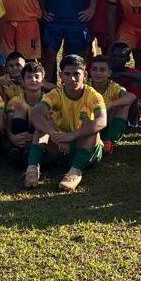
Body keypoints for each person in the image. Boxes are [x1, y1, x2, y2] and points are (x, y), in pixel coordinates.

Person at [25, 54, 106, 191]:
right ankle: (32, 169)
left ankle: (75, 172)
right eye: (67, 74)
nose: (72, 78)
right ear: (61, 75)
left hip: (86, 149)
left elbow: (102, 121)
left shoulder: (93, 95)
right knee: (41, 130)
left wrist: (72, 135)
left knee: (92, 131)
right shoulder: (55, 93)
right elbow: (37, 113)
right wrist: (56, 135)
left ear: (85, 75)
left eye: (76, 74)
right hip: (61, 146)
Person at [88, 55, 136, 155]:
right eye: (94, 69)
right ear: (90, 72)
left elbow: (131, 96)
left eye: (102, 70)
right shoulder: (84, 86)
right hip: (88, 125)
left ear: (109, 73)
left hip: (107, 124)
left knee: (123, 106)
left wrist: (108, 105)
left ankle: (109, 142)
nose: (98, 73)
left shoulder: (113, 87)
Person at [5, 61, 47, 167]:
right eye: (29, 77)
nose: (33, 80)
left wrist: (35, 138)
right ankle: (18, 149)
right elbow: (8, 123)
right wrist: (11, 137)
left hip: (39, 136)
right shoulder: (15, 100)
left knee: (40, 110)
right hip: (19, 136)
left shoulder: (49, 100)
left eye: (37, 77)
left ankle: (32, 151)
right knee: (20, 107)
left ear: (43, 81)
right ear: (22, 81)